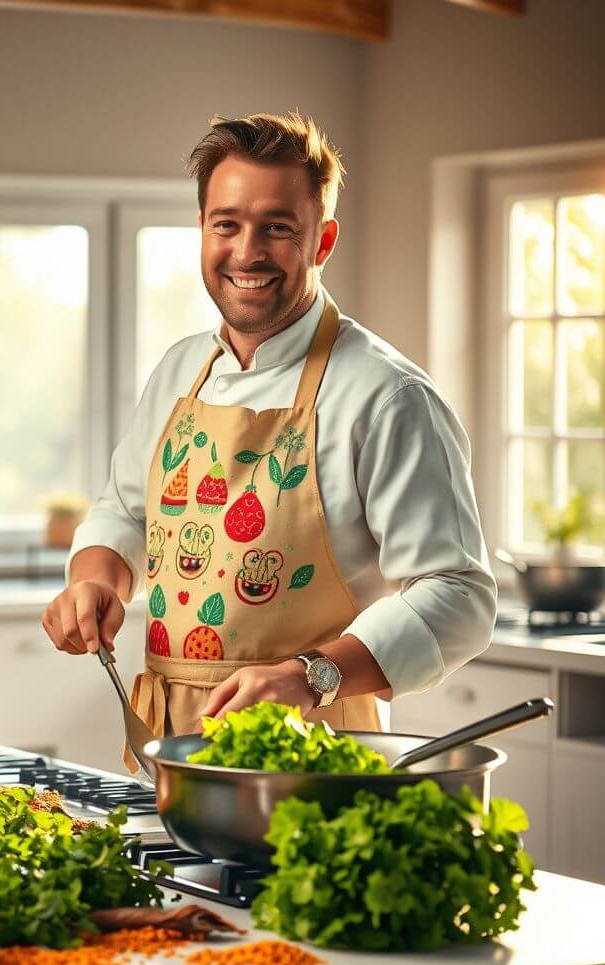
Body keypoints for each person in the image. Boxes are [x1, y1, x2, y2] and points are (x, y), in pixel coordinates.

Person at [41, 111, 496, 771]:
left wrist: (311, 676)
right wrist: (95, 581)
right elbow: (127, 513)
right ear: (202, 229)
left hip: (315, 756)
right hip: (167, 748)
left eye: (277, 228)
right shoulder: (179, 369)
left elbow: (458, 593)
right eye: (226, 223)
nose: (247, 252)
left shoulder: (387, 395)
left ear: (323, 241)